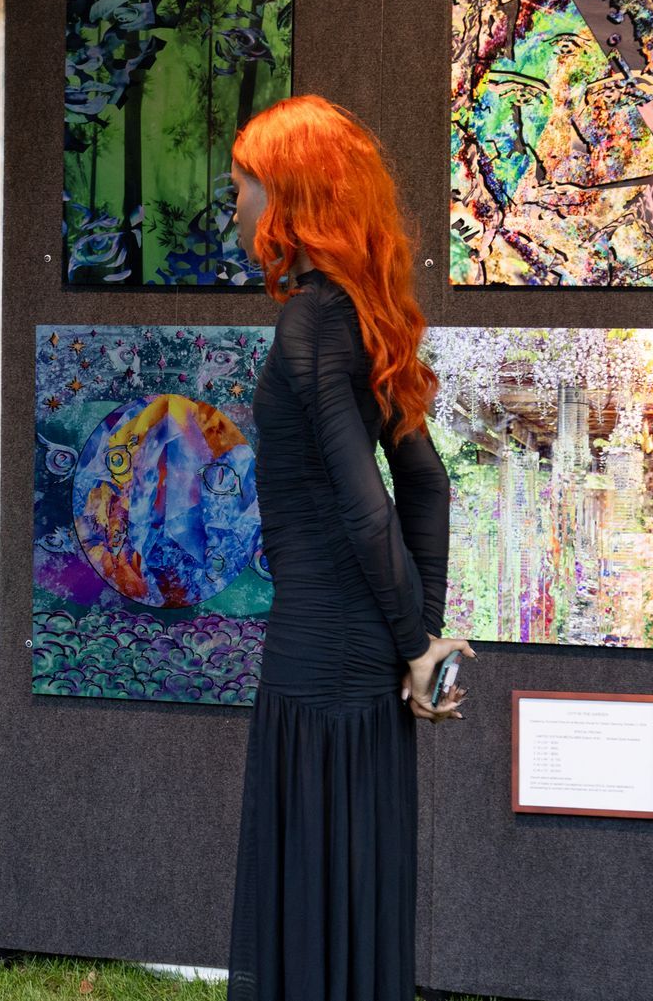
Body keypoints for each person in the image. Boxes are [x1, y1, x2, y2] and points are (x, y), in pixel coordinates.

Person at [226, 94, 472, 1000]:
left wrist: (417, 646)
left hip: (320, 665)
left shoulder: (311, 322)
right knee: (356, 901)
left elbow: (367, 505)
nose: (238, 205)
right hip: (365, 668)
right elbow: (428, 486)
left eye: (246, 183)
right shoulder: (359, 318)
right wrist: (420, 646)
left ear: (289, 194)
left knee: (307, 910)